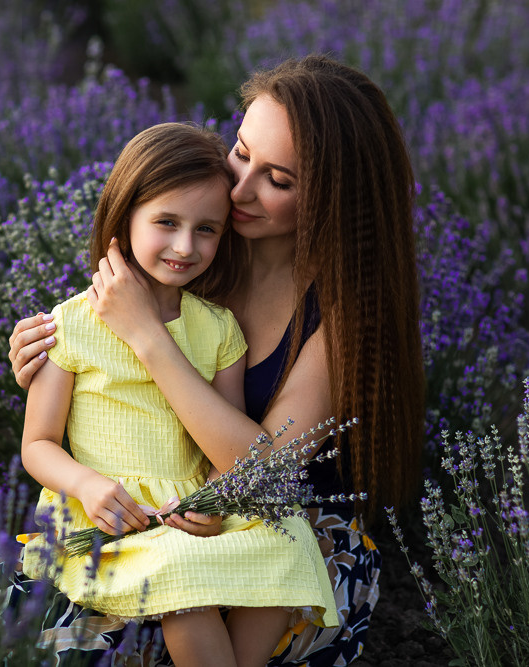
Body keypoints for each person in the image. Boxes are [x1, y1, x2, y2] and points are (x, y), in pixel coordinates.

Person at [8, 55, 425, 666]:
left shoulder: (340, 318)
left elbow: (257, 474)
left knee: (154, 626)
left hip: (281, 525)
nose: (238, 189)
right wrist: (45, 362)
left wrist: (150, 339)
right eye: (240, 152)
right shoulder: (197, 247)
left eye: (277, 180)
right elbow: (97, 389)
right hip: (159, 507)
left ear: (335, 199)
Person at [17, 120, 338, 667]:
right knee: (184, 587)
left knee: (290, 549)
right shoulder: (70, 324)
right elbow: (38, 444)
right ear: (124, 218)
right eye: (166, 223)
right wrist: (88, 486)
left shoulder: (216, 329)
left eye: (207, 230)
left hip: (187, 503)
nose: (185, 247)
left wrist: (213, 501)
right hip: (109, 513)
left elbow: (227, 441)